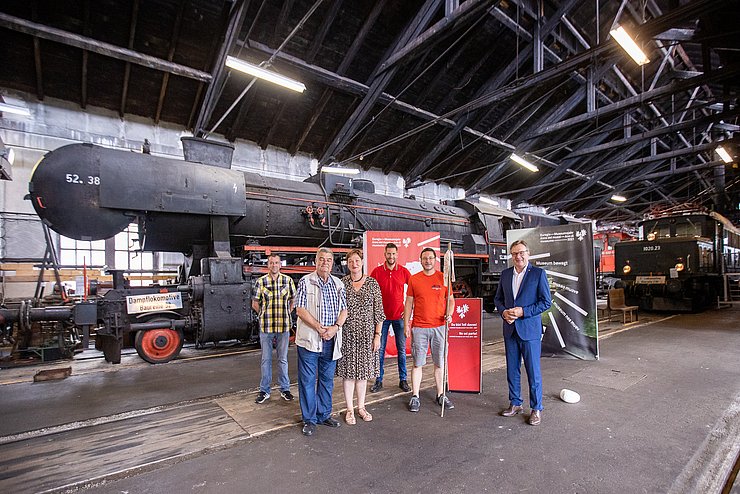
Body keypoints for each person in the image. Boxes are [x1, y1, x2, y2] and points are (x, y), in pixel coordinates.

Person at [494, 239, 552, 426]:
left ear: (528, 253)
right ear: (511, 256)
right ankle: (515, 403)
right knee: (512, 369)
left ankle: (536, 409)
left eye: (521, 252)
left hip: (529, 330)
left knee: (533, 371)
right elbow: (498, 299)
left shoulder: (538, 274)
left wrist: (523, 312)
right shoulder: (505, 275)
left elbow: (546, 302)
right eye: (514, 253)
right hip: (510, 329)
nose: (518, 256)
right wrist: (503, 312)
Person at [294, 247, 348, 436]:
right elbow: (300, 309)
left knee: (326, 380)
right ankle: (309, 419)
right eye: (321, 259)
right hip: (309, 340)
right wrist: (318, 327)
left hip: (331, 340)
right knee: (307, 380)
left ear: (332, 263)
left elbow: (344, 310)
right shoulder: (305, 281)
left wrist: (335, 328)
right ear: (316, 262)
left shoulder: (338, 283)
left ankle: (324, 414)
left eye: (328, 260)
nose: (325, 263)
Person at [403, 247, 454, 413]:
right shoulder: (414, 279)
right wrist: (406, 325)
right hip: (419, 328)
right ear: (420, 260)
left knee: (440, 363)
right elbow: (409, 303)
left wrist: (450, 314)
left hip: (440, 327)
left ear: (435, 260)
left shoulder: (443, 278)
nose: (428, 261)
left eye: (431, 258)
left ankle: (441, 394)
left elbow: (451, 300)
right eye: (425, 258)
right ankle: (415, 396)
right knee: (417, 363)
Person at [337, 249, 384, 424]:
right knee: (348, 374)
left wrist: (377, 335)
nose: (354, 264)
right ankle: (349, 409)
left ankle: (361, 407)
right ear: (347, 264)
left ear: (362, 262)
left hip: (367, 335)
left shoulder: (372, 284)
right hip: (347, 334)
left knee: (363, 374)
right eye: (351, 261)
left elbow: (379, 312)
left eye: (357, 261)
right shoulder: (341, 284)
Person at [252, 254, 296, 404]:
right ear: (268, 265)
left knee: (282, 359)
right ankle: (264, 390)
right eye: (271, 263)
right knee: (266, 359)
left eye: (277, 262)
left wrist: (287, 313)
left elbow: (293, 300)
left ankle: (285, 389)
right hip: (266, 327)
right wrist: (263, 315)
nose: (274, 265)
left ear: (280, 265)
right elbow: (255, 303)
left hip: (283, 326)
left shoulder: (288, 281)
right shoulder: (261, 281)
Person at [369, 243, 412, 393]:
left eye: (393, 254)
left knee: (401, 350)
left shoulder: (404, 272)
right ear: (384, 254)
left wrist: (407, 311)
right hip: (381, 319)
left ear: (397, 254)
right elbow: (369, 292)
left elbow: (413, 293)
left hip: (399, 317)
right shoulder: (377, 272)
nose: (391, 256)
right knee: (379, 350)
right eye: (389, 254)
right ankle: (378, 380)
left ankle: (403, 380)